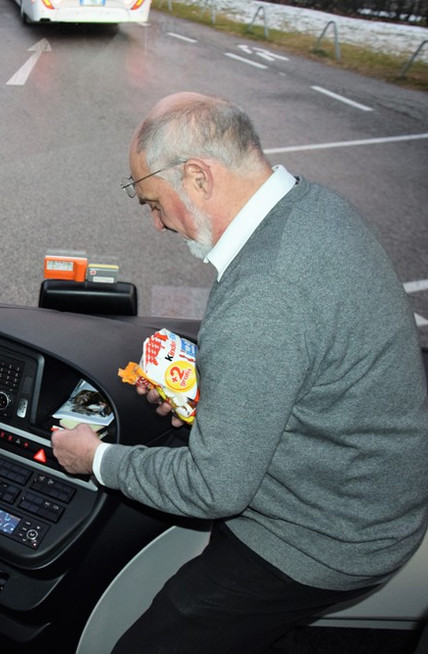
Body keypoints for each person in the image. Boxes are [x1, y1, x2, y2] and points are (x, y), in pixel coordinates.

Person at [51, 92, 428, 653]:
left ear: (199, 177)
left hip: (325, 536)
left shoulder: (264, 295)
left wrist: (96, 459)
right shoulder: (311, 206)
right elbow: (299, 364)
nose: (156, 223)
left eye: (154, 203)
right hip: (360, 491)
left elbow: (214, 488)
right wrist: (216, 394)